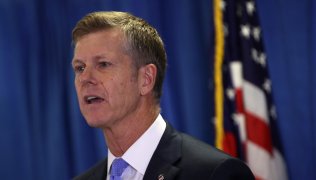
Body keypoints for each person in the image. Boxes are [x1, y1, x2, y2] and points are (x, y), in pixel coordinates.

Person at [71, 11, 254, 180]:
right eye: (80, 68)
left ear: (146, 79)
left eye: (103, 64)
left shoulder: (215, 173)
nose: (85, 78)